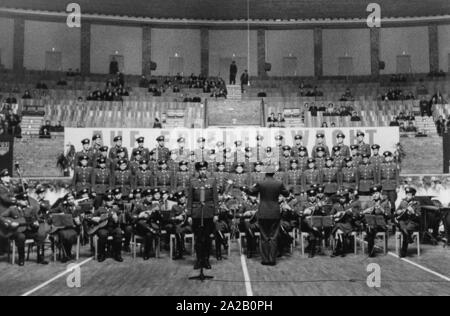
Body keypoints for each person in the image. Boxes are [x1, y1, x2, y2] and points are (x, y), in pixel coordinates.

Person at [247, 165, 290, 266]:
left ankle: (265, 260)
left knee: (264, 237)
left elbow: (251, 192)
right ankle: (272, 260)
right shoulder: (279, 183)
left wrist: (244, 189)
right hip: (275, 213)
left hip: (263, 212)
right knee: (274, 237)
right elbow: (287, 194)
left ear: (265, 173)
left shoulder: (261, 183)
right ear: (274, 173)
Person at [1, 193, 48, 266]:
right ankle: (21, 259)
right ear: (18, 201)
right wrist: (9, 223)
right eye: (23, 200)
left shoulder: (30, 209)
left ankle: (40, 258)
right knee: (21, 237)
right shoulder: (12, 209)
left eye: (26, 199)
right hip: (16, 231)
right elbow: (1, 217)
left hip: (28, 230)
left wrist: (36, 224)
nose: (26, 201)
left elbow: (35, 219)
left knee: (40, 235)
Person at [187, 162, 219, 270]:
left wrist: (216, 213)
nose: (202, 171)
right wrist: (189, 214)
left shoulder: (212, 180)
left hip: (208, 213)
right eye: (200, 170)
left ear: (207, 170)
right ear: (197, 171)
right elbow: (190, 199)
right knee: (198, 238)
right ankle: (199, 259)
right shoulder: (192, 181)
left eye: (204, 169)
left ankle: (206, 259)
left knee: (207, 238)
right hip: (196, 213)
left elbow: (215, 198)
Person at [395, 187, 421, 258]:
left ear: (413, 196)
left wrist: (413, 212)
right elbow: (396, 212)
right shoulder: (403, 202)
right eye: (407, 194)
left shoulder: (416, 203)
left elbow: (418, 216)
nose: (407, 196)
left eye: (409, 195)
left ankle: (403, 251)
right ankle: (409, 238)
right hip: (403, 221)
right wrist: (399, 212)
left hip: (412, 222)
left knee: (406, 229)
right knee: (402, 224)